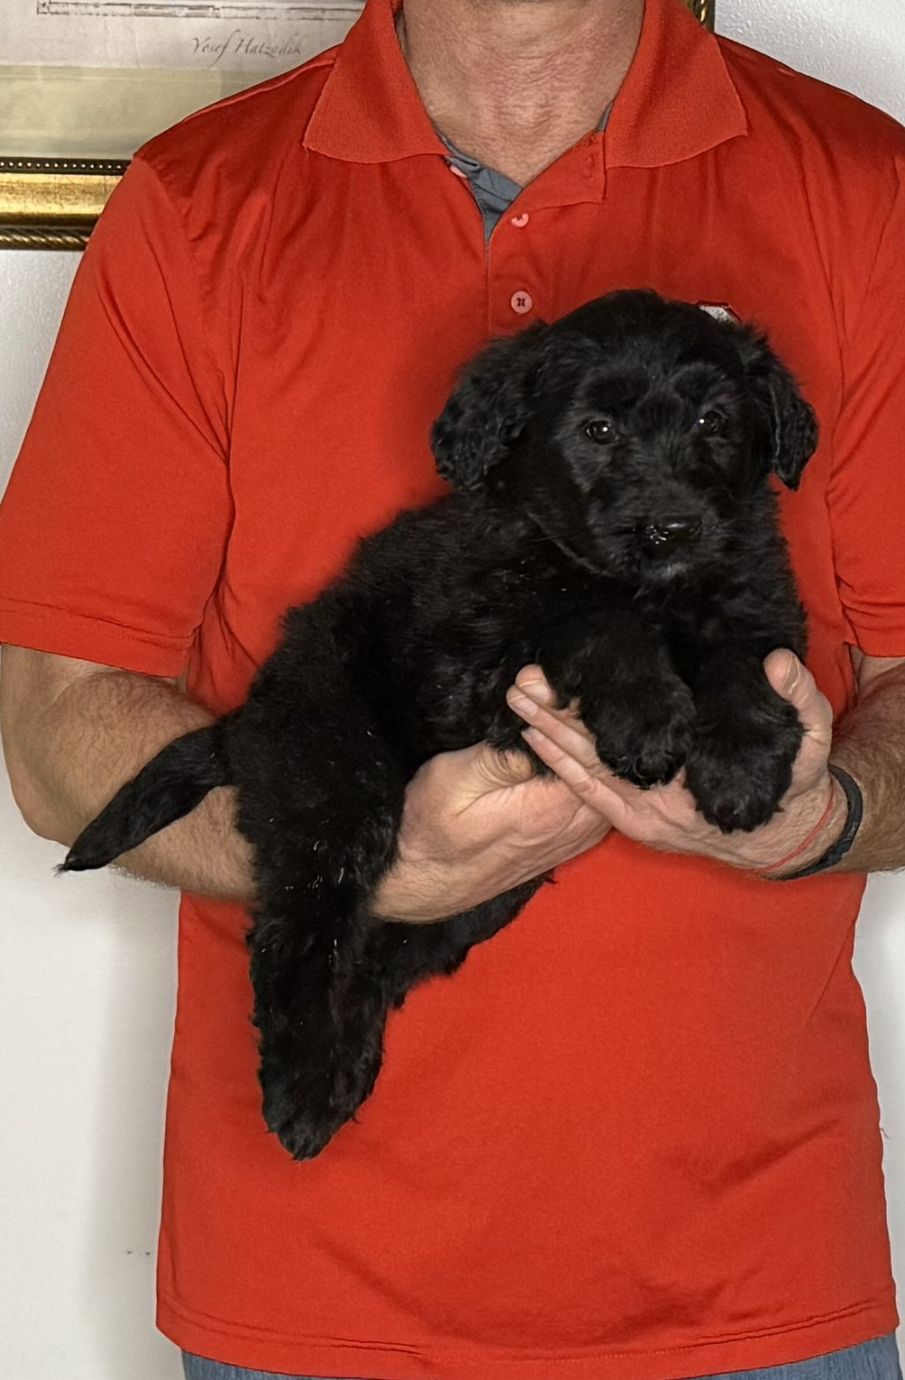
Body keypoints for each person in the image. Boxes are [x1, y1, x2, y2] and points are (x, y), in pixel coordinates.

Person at [1, 0, 904, 1375]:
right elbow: (58, 727)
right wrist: (369, 857)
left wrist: (826, 817)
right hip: (315, 1281)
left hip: (754, 1277)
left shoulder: (863, 191)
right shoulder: (198, 206)